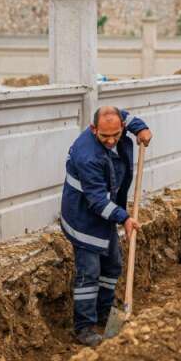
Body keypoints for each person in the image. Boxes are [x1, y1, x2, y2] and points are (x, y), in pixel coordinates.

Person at [60, 105, 152, 346]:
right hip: (83, 217)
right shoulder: (88, 156)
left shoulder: (116, 125)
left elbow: (127, 115)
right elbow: (98, 201)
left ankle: (103, 312)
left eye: (116, 135)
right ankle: (84, 327)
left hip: (105, 215)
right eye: (105, 136)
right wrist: (124, 217)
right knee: (89, 273)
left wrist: (140, 128)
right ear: (93, 129)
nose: (111, 141)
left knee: (112, 265)